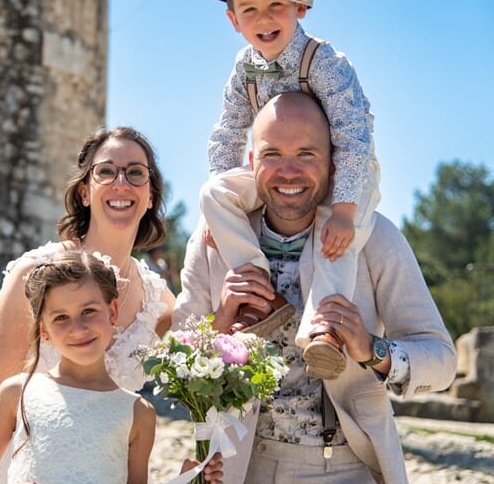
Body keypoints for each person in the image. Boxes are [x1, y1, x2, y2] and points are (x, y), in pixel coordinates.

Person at [176, 92, 457, 483]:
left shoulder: (376, 238)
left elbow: (442, 361)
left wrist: (371, 349)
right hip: (239, 467)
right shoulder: (209, 242)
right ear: (252, 162)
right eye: (272, 154)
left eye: (307, 153)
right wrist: (222, 318)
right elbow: (175, 359)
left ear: (333, 163)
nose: (288, 172)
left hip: (343, 468)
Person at [0, 127, 178, 483]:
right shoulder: (34, 274)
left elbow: (206, 355)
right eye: (106, 171)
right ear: (85, 191)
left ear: (150, 195)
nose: (121, 183)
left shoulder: (160, 302)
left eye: (135, 173)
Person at [200, 0, 380, 380]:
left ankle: (324, 330)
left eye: (276, 6)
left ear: (300, 8)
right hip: (278, 170)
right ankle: (258, 294)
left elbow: (353, 134)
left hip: (344, 171)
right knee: (213, 194)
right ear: (234, 20)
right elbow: (227, 133)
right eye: (250, 10)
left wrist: (344, 209)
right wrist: (219, 217)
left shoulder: (325, 63)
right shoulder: (243, 69)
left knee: (338, 239)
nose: (264, 19)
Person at [0, 251, 224, 484]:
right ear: (44, 330)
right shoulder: (16, 392)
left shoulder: (138, 414)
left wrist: (188, 480)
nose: (78, 328)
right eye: (61, 317)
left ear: (112, 312)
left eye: (88, 311)